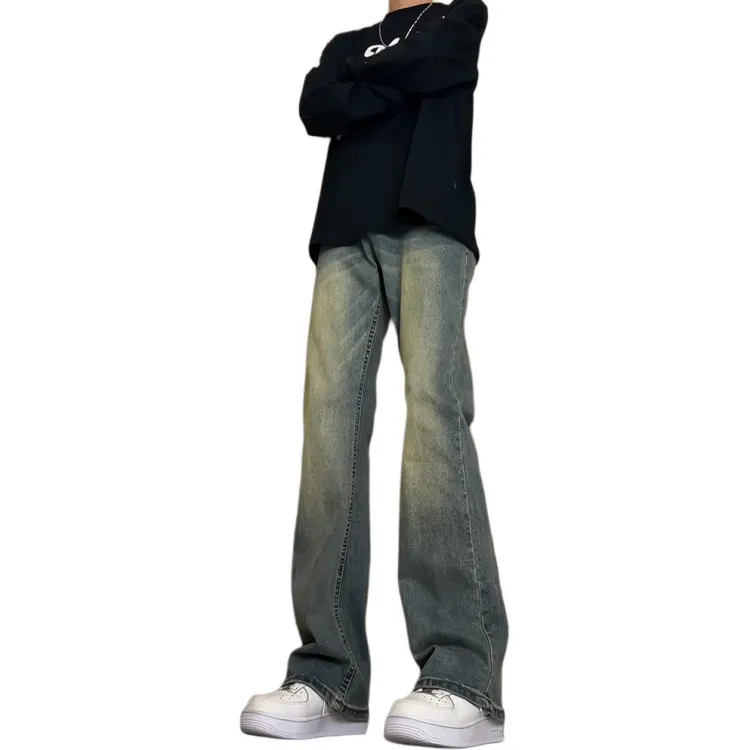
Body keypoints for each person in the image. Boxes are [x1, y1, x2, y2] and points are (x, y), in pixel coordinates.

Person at [240, 0, 508, 746]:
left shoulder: (458, 18)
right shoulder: (346, 41)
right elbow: (316, 105)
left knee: (434, 420)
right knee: (327, 436)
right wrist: (385, 78)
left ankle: (464, 676)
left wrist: (365, 85)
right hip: (342, 234)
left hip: (431, 226)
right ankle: (329, 677)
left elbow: (439, 65)